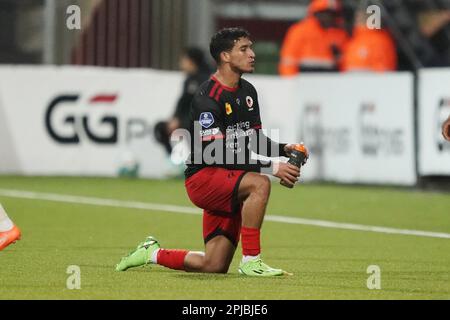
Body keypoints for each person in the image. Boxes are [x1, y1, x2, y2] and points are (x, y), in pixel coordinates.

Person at [116, 27, 307, 276]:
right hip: (203, 178)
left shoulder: (248, 91)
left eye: (251, 48)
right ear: (225, 56)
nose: (252, 54)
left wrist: (284, 149)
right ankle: (251, 260)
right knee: (260, 184)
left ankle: (151, 253)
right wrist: (273, 167)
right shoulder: (207, 97)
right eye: (244, 48)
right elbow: (217, 152)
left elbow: (255, 140)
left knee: (214, 266)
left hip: (228, 178)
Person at [154, 48, 212, 156]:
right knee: (161, 128)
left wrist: (180, 119)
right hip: (188, 119)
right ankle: (175, 159)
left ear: (192, 62)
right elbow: (183, 102)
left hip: (203, 120)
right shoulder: (189, 80)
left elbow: (197, 104)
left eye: (183, 60)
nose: (181, 63)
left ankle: (188, 160)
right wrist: (176, 118)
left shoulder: (205, 79)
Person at [278, 0, 349, 76]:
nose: (330, 17)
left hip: (331, 80)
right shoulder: (300, 31)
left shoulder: (340, 34)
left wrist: (338, 57)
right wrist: (291, 82)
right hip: (305, 78)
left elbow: (345, 64)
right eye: (326, 13)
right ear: (317, 13)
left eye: (333, 14)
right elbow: (288, 61)